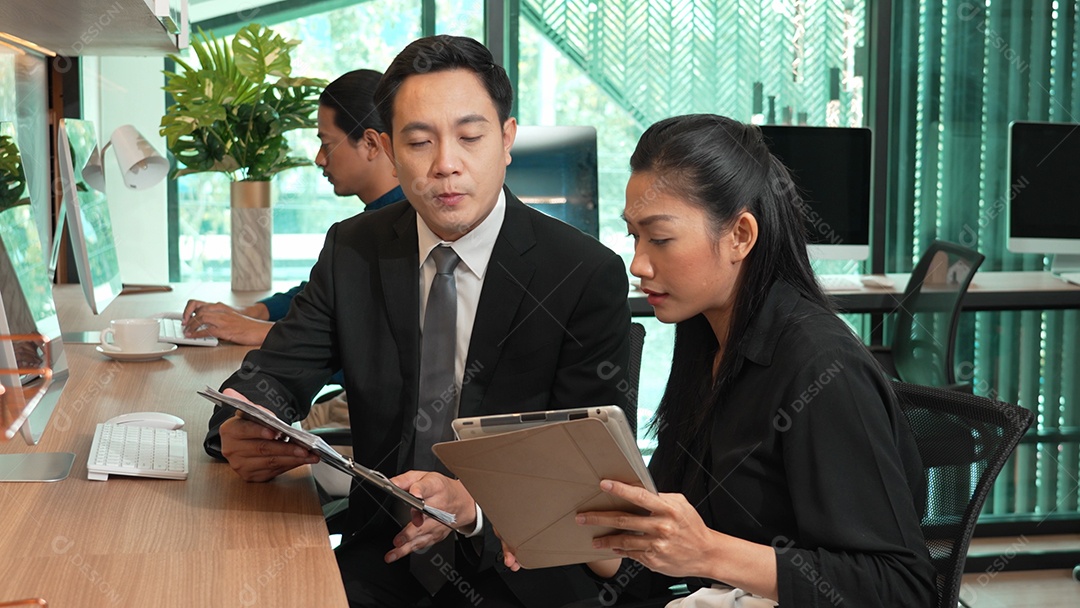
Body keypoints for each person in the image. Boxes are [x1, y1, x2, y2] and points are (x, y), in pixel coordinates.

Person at [203, 35, 632, 607]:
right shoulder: (355, 249)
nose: (446, 164)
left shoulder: (581, 273)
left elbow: (583, 478)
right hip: (386, 552)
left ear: (506, 141)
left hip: (519, 566)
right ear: (386, 148)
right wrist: (244, 427)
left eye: (470, 137)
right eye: (420, 141)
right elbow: (276, 372)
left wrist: (472, 507)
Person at [505, 114, 937, 606]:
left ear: (740, 236)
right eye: (634, 237)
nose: (639, 264)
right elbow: (659, 554)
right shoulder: (705, 345)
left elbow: (902, 588)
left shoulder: (821, 367)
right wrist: (572, 531)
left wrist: (709, 552)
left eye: (660, 238)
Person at [182, 69, 404, 346]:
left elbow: (373, 345)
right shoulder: (369, 225)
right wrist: (251, 313)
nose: (319, 159)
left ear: (370, 143)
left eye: (326, 144)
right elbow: (321, 295)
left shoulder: (410, 229)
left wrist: (256, 331)